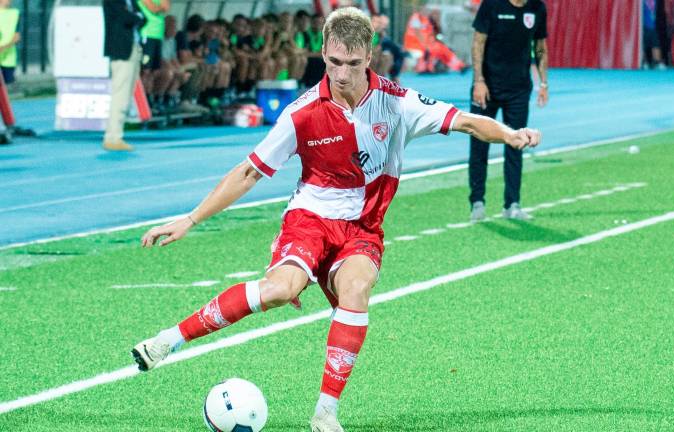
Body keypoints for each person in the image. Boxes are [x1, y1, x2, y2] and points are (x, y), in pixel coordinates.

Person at [130, 7, 540, 432]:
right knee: (279, 289)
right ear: (324, 52)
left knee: (357, 287)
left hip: (362, 229)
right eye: (334, 63)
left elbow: (467, 122)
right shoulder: (302, 112)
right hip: (310, 219)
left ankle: (325, 412)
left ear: (370, 56)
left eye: (353, 64)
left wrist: (509, 134)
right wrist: (192, 219)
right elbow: (249, 171)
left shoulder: (398, 102)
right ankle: (167, 341)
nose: (342, 74)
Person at [468, 0, 548, 221]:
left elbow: (540, 46)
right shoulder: (492, 5)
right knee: (479, 144)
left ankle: (512, 204)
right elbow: (478, 43)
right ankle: (477, 201)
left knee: (517, 144)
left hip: (519, 90)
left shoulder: (537, 8)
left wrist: (544, 83)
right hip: (487, 88)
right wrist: (479, 81)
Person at [102, 0, 145, 151]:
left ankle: (117, 133)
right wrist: (135, 17)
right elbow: (124, 17)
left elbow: (142, 16)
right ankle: (113, 137)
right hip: (121, 49)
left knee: (126, 94)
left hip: (134, 47)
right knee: (120, 93)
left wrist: (135, 16)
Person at [0, 0, 20, 87]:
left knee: (7, 88)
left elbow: (17, 37)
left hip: (9, 59)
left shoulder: (15, 13)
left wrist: (3, 47)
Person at [643, 0, 666, 69]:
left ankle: (657, 62)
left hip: (654, 26)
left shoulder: (656, 1)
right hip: (643, 26)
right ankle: (644, 62)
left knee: (655, 44)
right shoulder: (641, 2)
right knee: (643, 44)